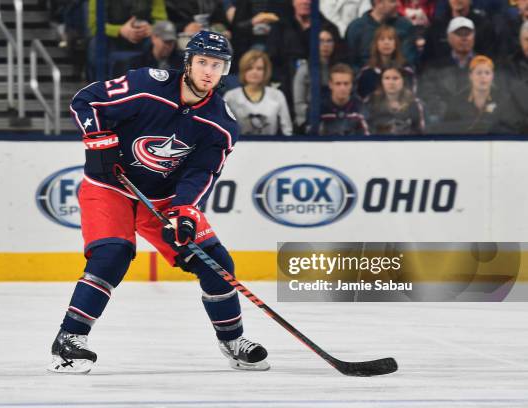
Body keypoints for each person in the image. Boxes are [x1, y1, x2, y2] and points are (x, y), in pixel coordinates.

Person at [48, 31, 269, 374]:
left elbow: (202, 173)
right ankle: (69, 340)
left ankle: (233, 340)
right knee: (113, 254)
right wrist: (99, 142)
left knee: (215, 262)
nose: (209, 71)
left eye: (217, 65)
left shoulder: (220, 124)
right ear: (188, 63)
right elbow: (85, 100)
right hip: (110, 187)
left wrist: (184, 210)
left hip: (163, 199)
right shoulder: (146, 85)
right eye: (202, 63)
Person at [419, 16, 476, 123]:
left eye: (468, 33)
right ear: (449, 38)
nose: (464, 38)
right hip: (444, 122)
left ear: (474, 37)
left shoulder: (485, 66)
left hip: (477, 122)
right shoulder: (435, 67)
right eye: (459, 34)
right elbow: (427, 93)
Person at [443, 55, 520, 133]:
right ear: (470, 76)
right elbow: (447, 128)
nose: (483, 76)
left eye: (487, 73)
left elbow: (512, 128)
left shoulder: (503, 99)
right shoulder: (457, 100)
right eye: (479, 73)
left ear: (492, 76)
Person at [224, 49, 292, 135]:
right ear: (243, 71)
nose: (254, 72)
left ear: (265, 71)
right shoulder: (231, 96)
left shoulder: (277, 95)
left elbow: (287, 131)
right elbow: (223, 129)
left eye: (259, 69)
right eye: (250, 68)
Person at [292, 28, 341, 133]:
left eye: (329, 41)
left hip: (335, 119)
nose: (325, 45)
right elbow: (298, 104)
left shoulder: (340, 70)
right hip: (309, 120)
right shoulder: (304, 70)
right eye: (321, 41)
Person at [346, 0, 418, 68]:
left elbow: (410, 59)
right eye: (392, 1)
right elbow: (351, 62)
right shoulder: (356, 27)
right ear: (378, 2)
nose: (398, 4)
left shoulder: (405, 25)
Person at [356, 25, 417, 100]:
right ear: (376, 44)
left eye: (390, 39)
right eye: (382, 39)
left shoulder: (406, 70)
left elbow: (411, 96)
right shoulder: (367, 72)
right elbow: (362, 98)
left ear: (396, 44)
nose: (386, 43)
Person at [365, 65, 425, 134]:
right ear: (381, 81)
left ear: (403, 81)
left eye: (395, 78)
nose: (391, 82)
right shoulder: (370, 101)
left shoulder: (415, 104)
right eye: (387, 78)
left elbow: (421, 132)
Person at [319, 63, 369, 135]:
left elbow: (368, 141)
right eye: (338, 84)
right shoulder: (320, 109)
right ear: (330, 85)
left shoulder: (360, 109)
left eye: (346, 83)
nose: (342, 88)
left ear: (351, 85)